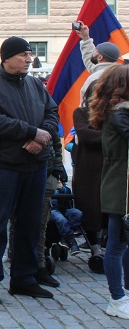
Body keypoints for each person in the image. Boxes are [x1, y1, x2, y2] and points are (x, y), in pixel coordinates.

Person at [0, 36, 58, 304]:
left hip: (36, 165)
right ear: (7, 57)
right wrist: (31, 133)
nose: (29, 59)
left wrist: (41, 138)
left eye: (30, 54)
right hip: (3, 166)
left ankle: (24, 278)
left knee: (30, 225)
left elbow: (52, 113)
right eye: (23, 55)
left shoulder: (35, 84)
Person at [89, 65, 129, 320]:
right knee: (116, 246)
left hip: (121, 184)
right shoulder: (120, 115)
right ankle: (116, 298)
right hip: (121, 187)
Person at [72, 84, 104, 257]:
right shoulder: (81, 112)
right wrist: (112, 136)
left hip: (108, 166)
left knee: (105, 207)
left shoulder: (113, 114)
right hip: (88, 168)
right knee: (90, 207)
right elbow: (85, 134)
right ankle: (94, 244)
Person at [49, 179, 82, 254]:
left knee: (78, 213)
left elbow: (68, 191)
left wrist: (62, 188)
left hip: (64, 208)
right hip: (51, 209)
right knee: (61, 219)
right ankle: (72, 241)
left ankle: (64, 238)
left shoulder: (60, 180)